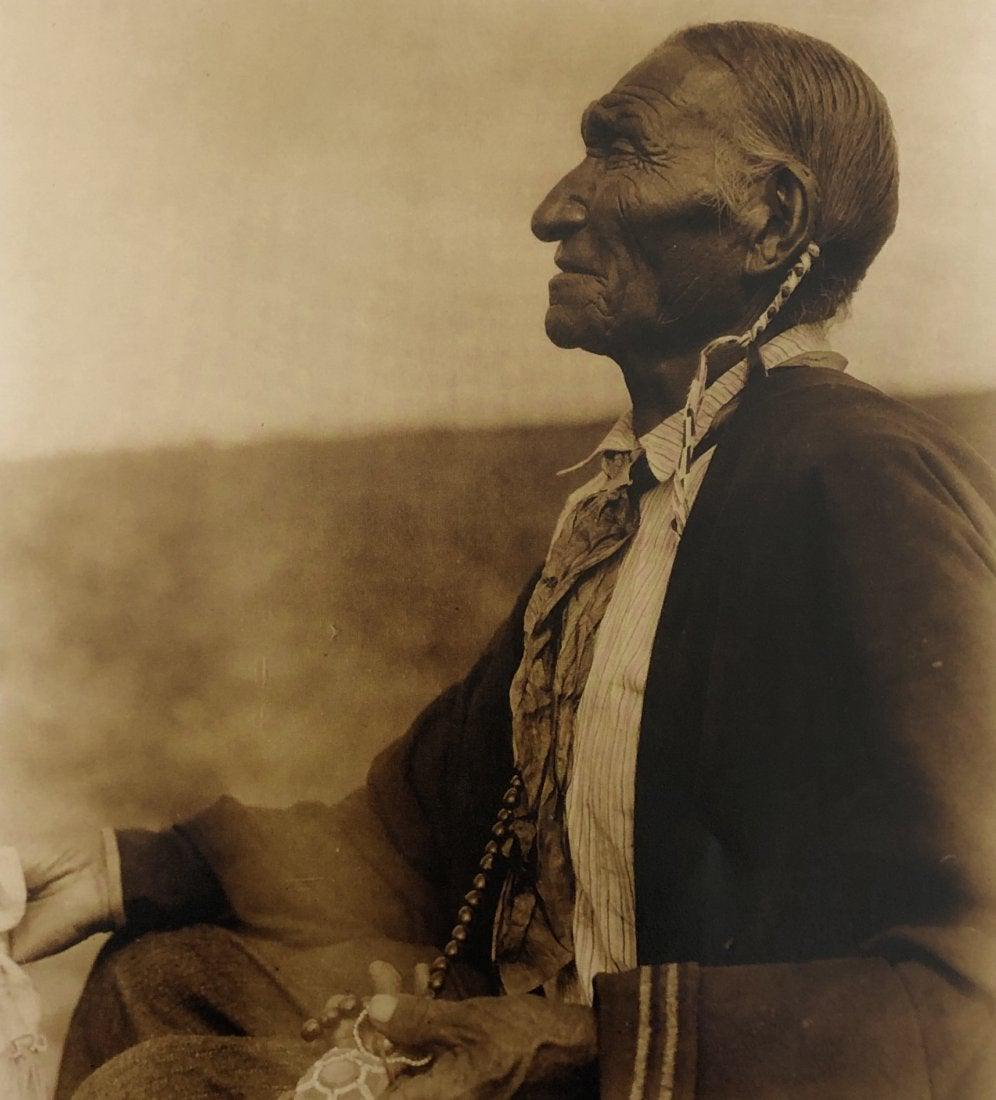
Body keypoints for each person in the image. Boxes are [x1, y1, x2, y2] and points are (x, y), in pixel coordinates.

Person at [14, 19, 996, 1099]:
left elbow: (972, 984)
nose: (555, 208)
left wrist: (579, 1044)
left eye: (621, 151)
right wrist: (132, 867)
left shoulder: (855, 481)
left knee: (163, 1085)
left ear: (772, 218)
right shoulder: (642, 501)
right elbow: (415, 832)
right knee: (165, 978)